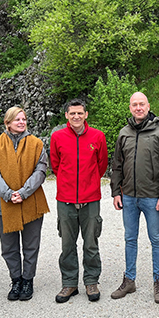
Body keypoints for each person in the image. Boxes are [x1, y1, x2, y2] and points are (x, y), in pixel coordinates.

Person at [110, 91, 159, 303]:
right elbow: (117, 165)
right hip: (128, 196)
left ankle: (158, 282)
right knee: (130, 239)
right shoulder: (124, 133)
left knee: (156, 239)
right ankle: (129, 280)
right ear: (130, 108)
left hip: (152, 197)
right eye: (134, 105)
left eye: (142, 104)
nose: (138, 108)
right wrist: (115, 192)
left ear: (148, 106)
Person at [0, 107, 50, 301]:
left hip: (31, 201)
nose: (21, 122)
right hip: (3, 204)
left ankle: (28, 280)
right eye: (17, 119)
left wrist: (23, 193)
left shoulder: (37, 144)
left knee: (31, 245)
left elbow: (41, 171)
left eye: (23, 119)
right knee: (9, 247)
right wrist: (7, 194)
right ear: (7, 123)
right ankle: (16, 280)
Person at [50, 99, 108, 303]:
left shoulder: (97, 136)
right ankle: (69, 283)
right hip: (65, 200)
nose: (76, 117)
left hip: (90, 199)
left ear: (86, 114)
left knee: (91, 243)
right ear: (66, 115)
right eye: (72, 113)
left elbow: (102, 166)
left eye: (80, 113)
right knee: (67, 244)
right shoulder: (57, 137)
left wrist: (89, 183)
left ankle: (91, 280)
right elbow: (55, 166)